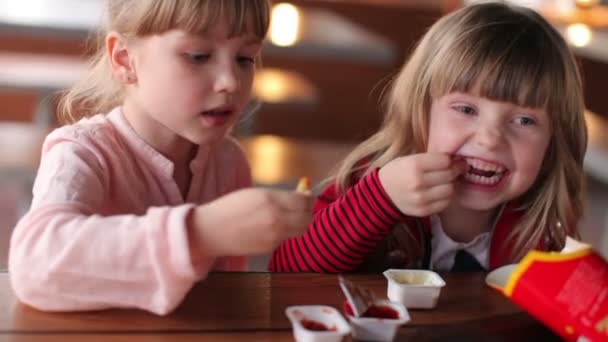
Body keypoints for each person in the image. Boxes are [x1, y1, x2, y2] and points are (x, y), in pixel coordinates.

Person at [9, 0, 313, 315]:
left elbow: (227, 294)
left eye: (245, 58)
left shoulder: (228, 161)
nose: (231, 82)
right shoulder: (83, 152)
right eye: (199, 56)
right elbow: (34, 264)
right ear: (125, 60)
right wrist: (200, 233)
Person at [269, 1, 587, 273]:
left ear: (552, 140)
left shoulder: (547, 223)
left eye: (524, 120)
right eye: (466, 109)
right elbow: (286, 271)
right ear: (422, 111)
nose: (490, 139)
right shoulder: (370, 180)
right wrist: (381, 198)